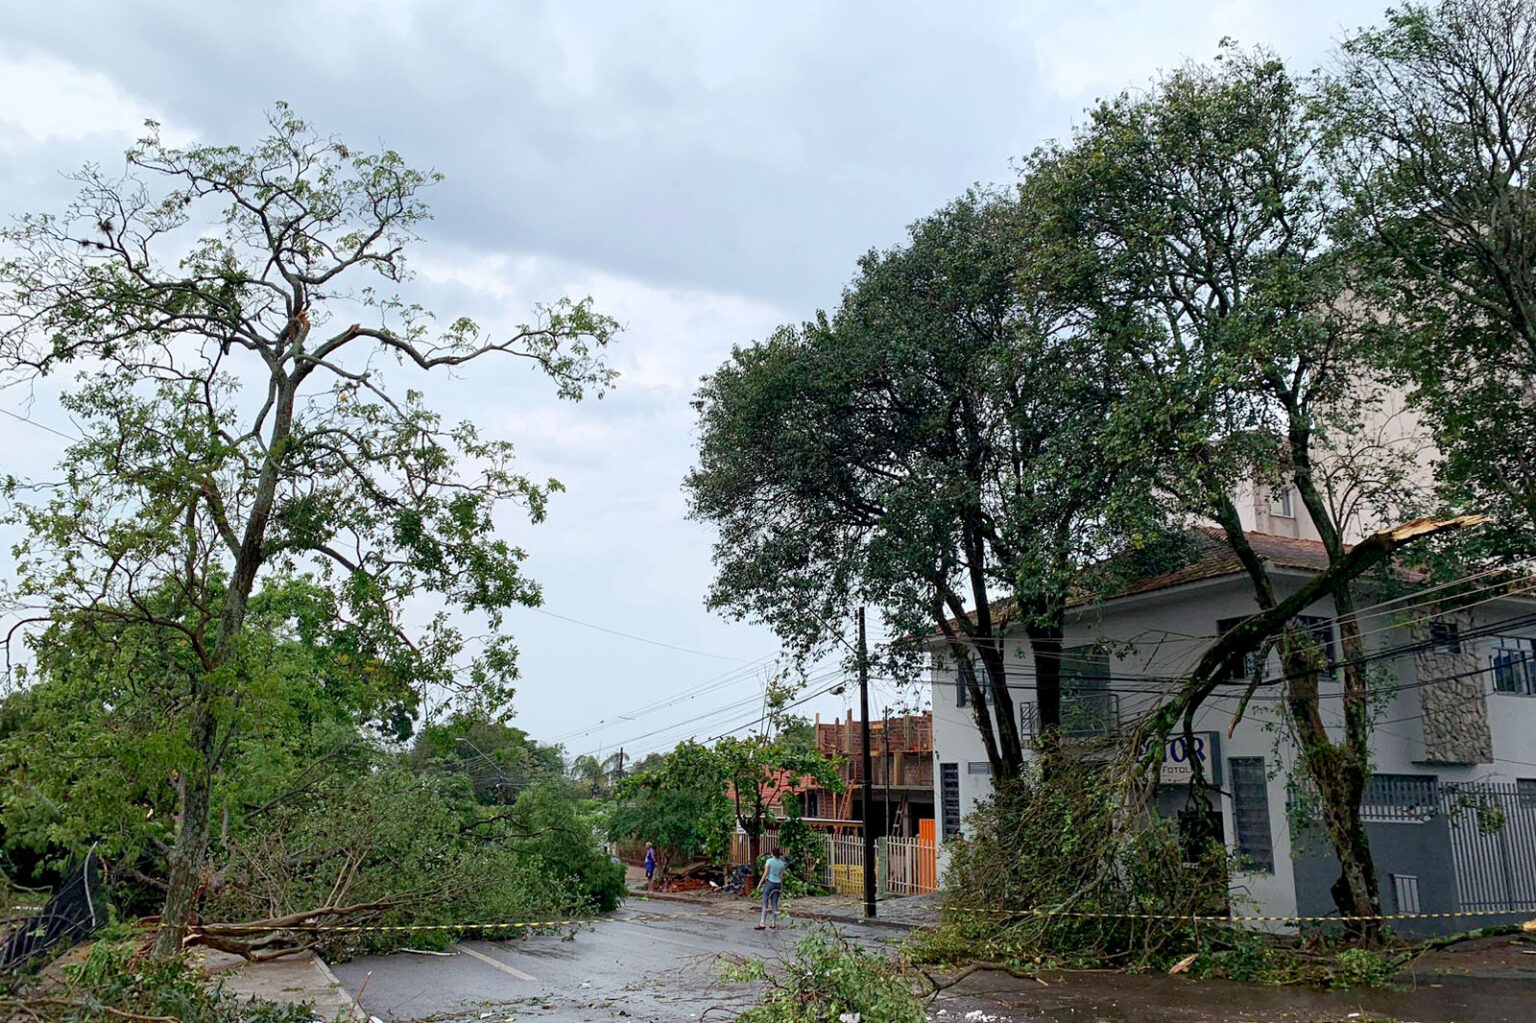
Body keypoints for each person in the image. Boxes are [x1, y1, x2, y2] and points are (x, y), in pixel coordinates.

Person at [755, 847, 789, 930]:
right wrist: (781, 886)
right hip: (777, 884)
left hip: (770, 883)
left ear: (772, 853)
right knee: (775, 903)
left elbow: (765, 874)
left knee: (765, 902)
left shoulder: (769, 861)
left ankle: (762, 922)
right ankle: (773, 923)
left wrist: (759, 884)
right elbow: (781, 876)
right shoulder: (782, 864)